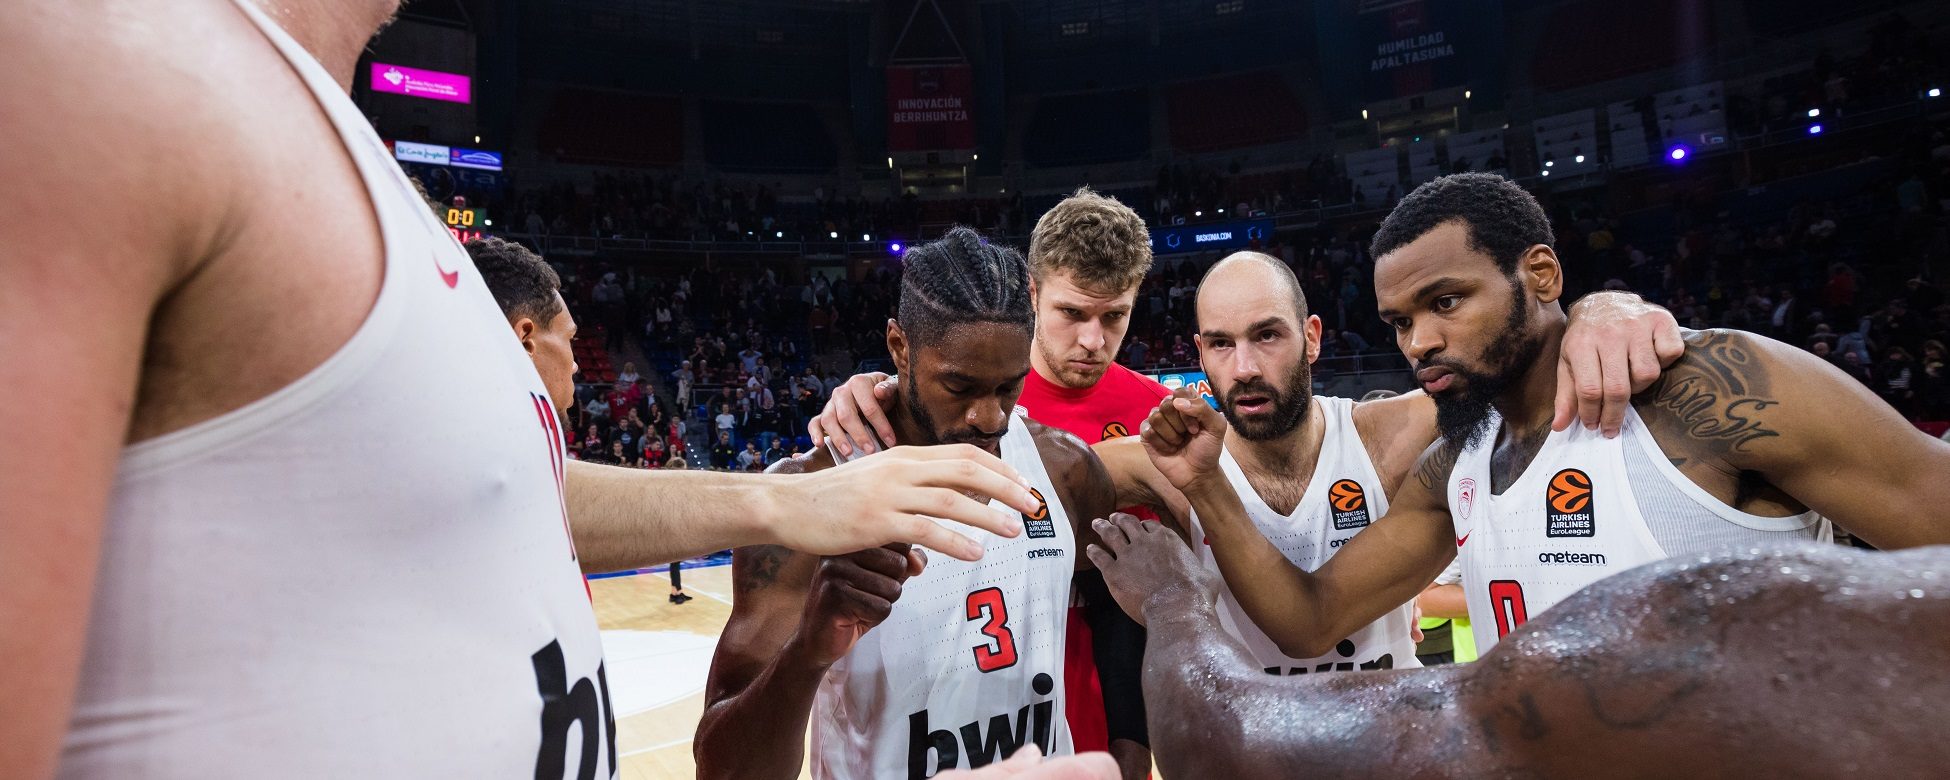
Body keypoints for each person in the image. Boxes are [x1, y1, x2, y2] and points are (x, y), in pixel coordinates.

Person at [3, 3, 1050, 775]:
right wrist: (786, 504)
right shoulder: (113, 62)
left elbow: (519, 492)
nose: (989, 412)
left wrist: (779, 502)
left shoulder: (338, 153)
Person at [1128, 172, 1950, 679]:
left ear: (1543, 275)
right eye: (1400, 321)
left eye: (1447, 301)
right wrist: (1205, 487)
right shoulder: (1455, 465)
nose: (1420, 343)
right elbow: (1310, 619)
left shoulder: (1713, 386)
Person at [695, 229, 1126, 778]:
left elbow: (1118, 612)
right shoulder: (806, 494)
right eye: (960, 387)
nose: (990, 418)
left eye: (1008, 387)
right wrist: (807, 652)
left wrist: (1131, 750)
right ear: (899, 347)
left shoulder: (1064, 468)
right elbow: (723, 770)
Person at [1087, 513, 1950, 777]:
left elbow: (1226, 739)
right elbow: (1311, 620)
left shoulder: (1740, 641)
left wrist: (1174, 600)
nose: (1420, 341)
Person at [811, 189, 1166, 776]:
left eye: (1114, 316)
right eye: (1072, 313)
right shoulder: (926, 394)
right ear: (1033, 295)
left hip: (1067, 730)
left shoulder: (1147, 417)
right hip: (933, 715)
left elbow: (1122, 600)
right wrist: (873, 389)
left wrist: (1132, 747)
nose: (1092, 340)